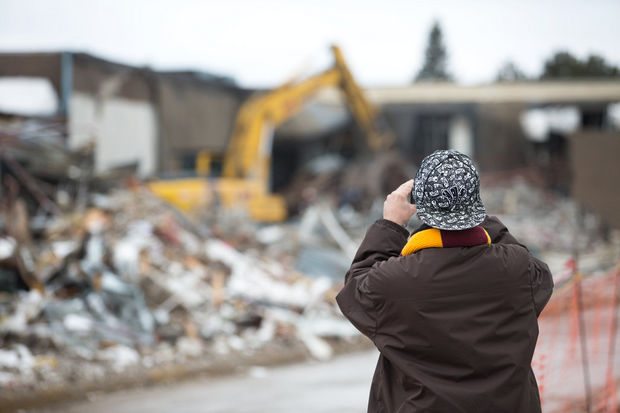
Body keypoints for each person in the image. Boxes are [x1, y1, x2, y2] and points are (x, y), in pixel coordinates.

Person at [336, 150, 554, 413]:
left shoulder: (394, 281)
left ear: (421, 204)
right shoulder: (518, 269)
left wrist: (391, 225)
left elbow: (355, 291)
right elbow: (536, 274)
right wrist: (473, 214)